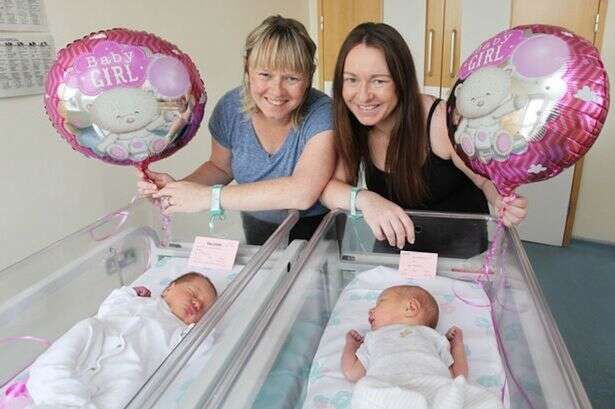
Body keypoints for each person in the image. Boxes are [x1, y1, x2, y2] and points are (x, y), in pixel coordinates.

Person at [320, 23, 527, 252]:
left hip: (459, 246)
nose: (363, 95)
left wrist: (500, 201)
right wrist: (367, 199)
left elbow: (484, 180)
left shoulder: (439, 120)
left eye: (379, 81)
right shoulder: (351, 122)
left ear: (402, 81)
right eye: (351, 79)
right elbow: (329, 189)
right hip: (396, 239)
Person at [138, 15, 335, 244]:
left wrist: (208, 198)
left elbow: (301, 193)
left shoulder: (323, 113)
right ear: (247, 70)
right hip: (255, 224)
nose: (277, 91)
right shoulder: (231, 108)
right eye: (265, 75)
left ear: (309, 77)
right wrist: (179, 189)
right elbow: (220, 167)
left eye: (292, 78)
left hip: (316, 232)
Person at [26, 272, 217, 409]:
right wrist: (131, 292)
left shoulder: (179, 332)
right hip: (95, 344)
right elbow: (110, 304)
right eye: (193, 294)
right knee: (87, 327)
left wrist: (203, 326)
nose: (197, 303)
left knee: (131, 389)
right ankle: (57, 388)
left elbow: (200, 345)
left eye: (203, 309)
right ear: (169, 289)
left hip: (125, 370)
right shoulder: (136, 301)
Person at [341, 285, 502, 409]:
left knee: (481, 399)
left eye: (381, 302)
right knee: (363, 389)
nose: (371, 310)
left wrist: (456, 346)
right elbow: (353, 373)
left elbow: (458, 376)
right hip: (389, 385)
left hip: (433, 386)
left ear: (411, 307)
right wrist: (351, 346)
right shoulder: (373, 338)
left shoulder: (434, 337)